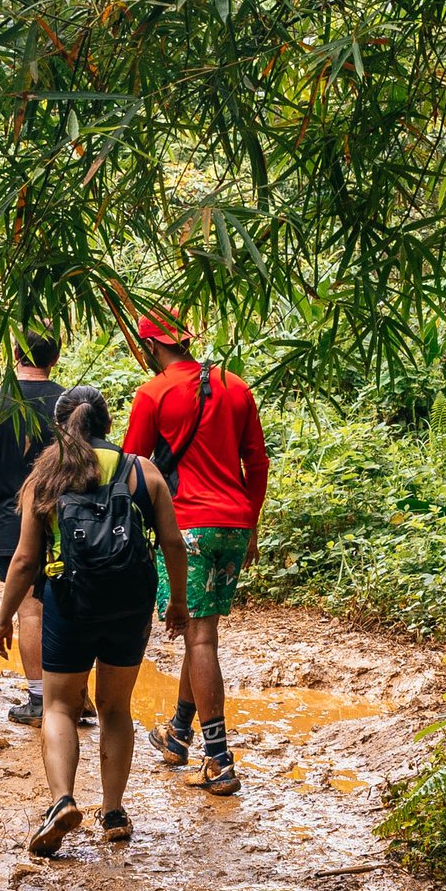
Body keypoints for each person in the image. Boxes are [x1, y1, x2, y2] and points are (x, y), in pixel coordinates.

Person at [0, 385, 189, 856]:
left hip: (69, 602)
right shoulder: (142, 470)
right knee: (116, 708)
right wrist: (176, 602)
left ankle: (62, 801)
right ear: (107, 424)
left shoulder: (48, 474)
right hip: (129, 604)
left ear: (61, 427)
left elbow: (23, 560)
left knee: (58, 707)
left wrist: (3, 618)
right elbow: (174, 544)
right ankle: (114, 810)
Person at [122, 310, 268, 797]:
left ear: (149, 347)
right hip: (233, 522)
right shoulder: (236, 385)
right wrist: (251, 524)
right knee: (200, 631)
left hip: (187, 527)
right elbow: (256, 461)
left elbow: (133, 466)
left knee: (200, 639)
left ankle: (220, 760)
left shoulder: (153, 393)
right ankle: (179, 732)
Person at [0, 327, 64, 725]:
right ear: (54, 358)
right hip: (65, 522)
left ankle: (40, 700)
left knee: (31, 611)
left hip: (10, 523)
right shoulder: (67, 403)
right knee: (67, 605)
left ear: (15, 354)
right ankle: (74, 696)